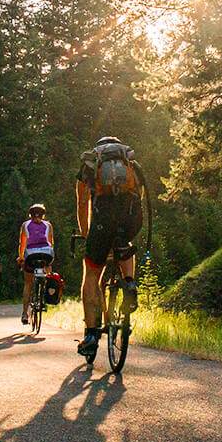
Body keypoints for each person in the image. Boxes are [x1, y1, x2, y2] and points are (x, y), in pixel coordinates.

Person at [74, 136, 145, 362]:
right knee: (125, 244)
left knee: (91, 274)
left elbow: (82, 202)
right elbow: (139, 196)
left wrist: (86, 232)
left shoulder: (90, 165)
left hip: (103, 222)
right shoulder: (130, 163)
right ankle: (130, 283)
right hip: (131, 219)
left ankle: (92, 334)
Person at [16, 203, 55, 321]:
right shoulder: (48, 225)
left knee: (28, 283)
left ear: (30, 215)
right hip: (46, 253)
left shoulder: (25, 225)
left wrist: (21, 258)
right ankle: (46, 291)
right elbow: (51, 242)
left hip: (31, 254)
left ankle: (24, 313)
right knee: (48, 269)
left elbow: (22, 244)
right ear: (43, 215)